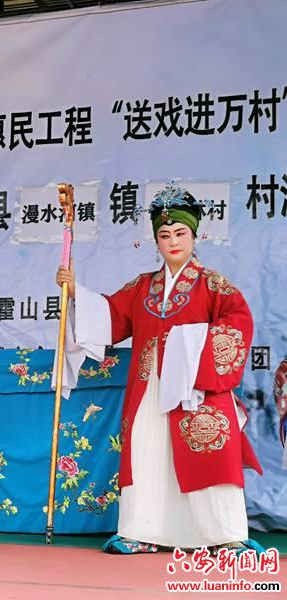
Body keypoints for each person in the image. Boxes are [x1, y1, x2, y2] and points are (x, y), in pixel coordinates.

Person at [55, 184, 263, 554]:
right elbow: (110, 316)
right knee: (146, 450)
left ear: (194, 235)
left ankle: (225, 535)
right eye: (164, 235)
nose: (173, 241)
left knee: (209, 452)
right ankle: (140, 531)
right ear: (156, 241)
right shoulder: (143, 286)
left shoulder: (212, 284)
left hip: (196, 386)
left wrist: (193, 343)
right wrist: (75, 294)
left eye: (180, 233)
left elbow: (238, 321)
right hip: (149, 384)